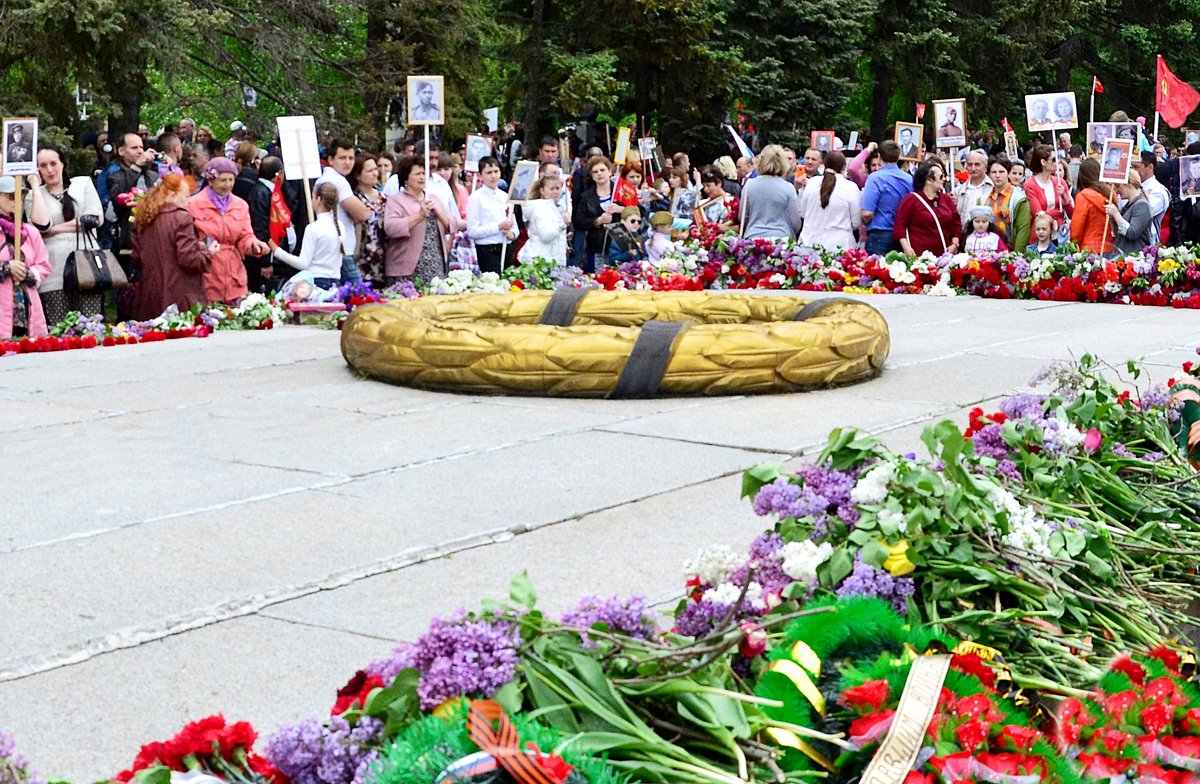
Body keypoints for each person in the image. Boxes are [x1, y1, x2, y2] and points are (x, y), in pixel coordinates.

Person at [24, 147, 104, 323]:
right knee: (59, 328)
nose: (49, 170)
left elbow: (93, 220)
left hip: (87, 269)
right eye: (43, 166)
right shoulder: (32, 196)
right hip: (54, 273)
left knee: (91, 327)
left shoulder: (82, 184)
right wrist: (36, 187)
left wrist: (54, 229)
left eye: (53, 163)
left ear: (63, 163)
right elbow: (41, 226)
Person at [130, 174, 213, 319]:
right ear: (173, 195)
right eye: (186, 197)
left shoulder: (143, 218)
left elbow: (137, 259)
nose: (188, 202)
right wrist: (208, 253)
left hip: (150, 295)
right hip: (179, 295)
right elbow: (189, 259)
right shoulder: (182, 218)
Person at [188, 156, 270, 303]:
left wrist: (253, 245)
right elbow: (188, 239)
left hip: (234, 275)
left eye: (231, 180)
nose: (227, 185)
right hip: (207, 272)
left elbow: (245, 235)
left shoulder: (241, 205)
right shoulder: (193, 204)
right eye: (223, 180)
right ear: (211, 181)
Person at [385, 156, 457, 283]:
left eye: (424, 173)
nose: (422, 177)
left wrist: (438, 213)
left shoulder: (433, 198)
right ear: (406, 178)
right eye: (417, 174)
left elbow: (452, 225)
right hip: (405, 266)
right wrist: (419, 215)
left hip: (435, 263)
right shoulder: (396, 200)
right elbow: (391, 228)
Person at [0, 175, 51, 337]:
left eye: (20, 195)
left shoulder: (30, 232)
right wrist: (7, 267)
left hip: (27, 308)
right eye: (10, 196)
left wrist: (30, 272)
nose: (16, 200)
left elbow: (43, 265)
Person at [315, 138, 371, 284]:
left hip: (331, 249)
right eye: (342, 158)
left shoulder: (325, 178)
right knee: (361, 296)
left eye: (351, 158)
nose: (348, 162)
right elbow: (363, 214)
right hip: (342, 249)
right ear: (331, 159)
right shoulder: (337, 180)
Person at [271, 182, 343, 289]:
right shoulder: (340, 226)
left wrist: (277, 251)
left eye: (313, 197)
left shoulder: (313, 228)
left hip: (316, 281)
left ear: (319, 199)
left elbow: (303, 263)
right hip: (335, 281)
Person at [107, 131, 160, 264]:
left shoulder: (152, 175)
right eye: (134, 148)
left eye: (142, 147)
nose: (140, 151)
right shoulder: (115, 176)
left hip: (154, 243)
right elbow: (120, 197)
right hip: (128, 246)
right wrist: (136, 167)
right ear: (121, 151)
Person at [893, 160, 961, 258]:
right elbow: (900, 225)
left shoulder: (946, 199)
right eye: (941, 177)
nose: (944, 179)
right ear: (929, 180)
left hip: (945, 256)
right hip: (920, 258)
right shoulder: (911, 199)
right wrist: (906, 248)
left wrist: (955, 243)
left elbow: (956, 223)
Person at [797, 150, 861, 251]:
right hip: (840, 246)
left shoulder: (812, 183)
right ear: (844, 166)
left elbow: (803, 212)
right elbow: (856, 222)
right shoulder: (850, 187)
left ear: (823, 163)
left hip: (809, 244)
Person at [572, 155, 626, 272]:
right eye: (595, 172)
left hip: (619, 246)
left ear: (610, 171)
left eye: (602, 170)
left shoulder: (621, 191)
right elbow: (579, 221)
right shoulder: (586, 196)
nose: (599, 174)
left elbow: (638, 211)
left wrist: (620, 209)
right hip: (596, 247)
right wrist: (598, 220)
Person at [738, 144, 803, 240]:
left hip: (753, 237)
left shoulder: (749, 185)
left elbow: (742, 217)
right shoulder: (788, 187)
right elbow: (796, 223)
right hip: (781, 239)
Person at [232, 141, 273, 293]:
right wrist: (264, 260)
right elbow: (260, 221)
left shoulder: (235, 178)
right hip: (252, 241)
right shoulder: (256, 183)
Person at [860, 140, 913, 256]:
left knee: (877, 271)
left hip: (879, 233)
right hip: (903, 236)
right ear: (898, 156)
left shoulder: (875, 178)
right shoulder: (909, 179)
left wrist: (865, 221)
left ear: (879, 156)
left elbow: (867, 213)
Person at [349, 153, 387, 283]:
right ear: (358, 175)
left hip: (384, 256)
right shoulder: (353, 199)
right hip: (363, 257)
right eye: (370, 170)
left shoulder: (384, 197)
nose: (375, 173)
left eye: (376, 169)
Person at [1023, 145, 1073, 243]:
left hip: (1060, 234)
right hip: (1041, 235)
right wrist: (1058, 212)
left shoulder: (1060, 182)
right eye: (1053, 160)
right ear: (1043, 162)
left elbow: (1071, 213)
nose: (1057, 163)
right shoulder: (1030, 185)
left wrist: (1065, 197)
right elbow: (1039, 215)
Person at [517, 173, 569, 265]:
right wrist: (562, 223)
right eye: (551, 189)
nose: (555, 191)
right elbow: (546, 236)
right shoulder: (541, 209)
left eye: (557, 188)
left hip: (548, 259)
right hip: (540, 261)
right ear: (542, 191)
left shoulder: (551, 207)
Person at [1069, 158, 1114, 254]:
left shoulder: (1083, 197)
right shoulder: (1109, 194)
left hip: (1088, 249)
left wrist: (1073, 246)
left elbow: (1076, 230)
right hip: (1108, 246)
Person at [985, 158, 1030, 252]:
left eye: (1001, 172)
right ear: (989, 175)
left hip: (1009, 250)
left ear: (1008, 174)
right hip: (987, 250)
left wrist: (1016, 255)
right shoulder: (983, 198)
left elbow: (1023, 230)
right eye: (993, 172)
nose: (997, 176)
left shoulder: (1019, 199)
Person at [1105, 169, 1153, 255]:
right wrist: (1113, 219)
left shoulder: (1142, 205)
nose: (1116, 190)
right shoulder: (1130, 205)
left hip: (1135, 258)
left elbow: (1132, 233)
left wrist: (1116, 214)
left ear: (1129, 184)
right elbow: (1119, 234)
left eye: (1118, 185)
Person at [1134, 151, 1170, 240]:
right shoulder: (1129, 186)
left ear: (1150, 167)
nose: (1133, 171)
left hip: (1146, 243)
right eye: (1132, 167)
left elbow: (1146, 212)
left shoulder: (1159, 191)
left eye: (1137, 167)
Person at [953, 150, 993, 226]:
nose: (973, 168)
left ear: (985, 167)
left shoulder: (993, 188)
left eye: (977, 164)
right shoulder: (958, 191)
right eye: (970, 165)